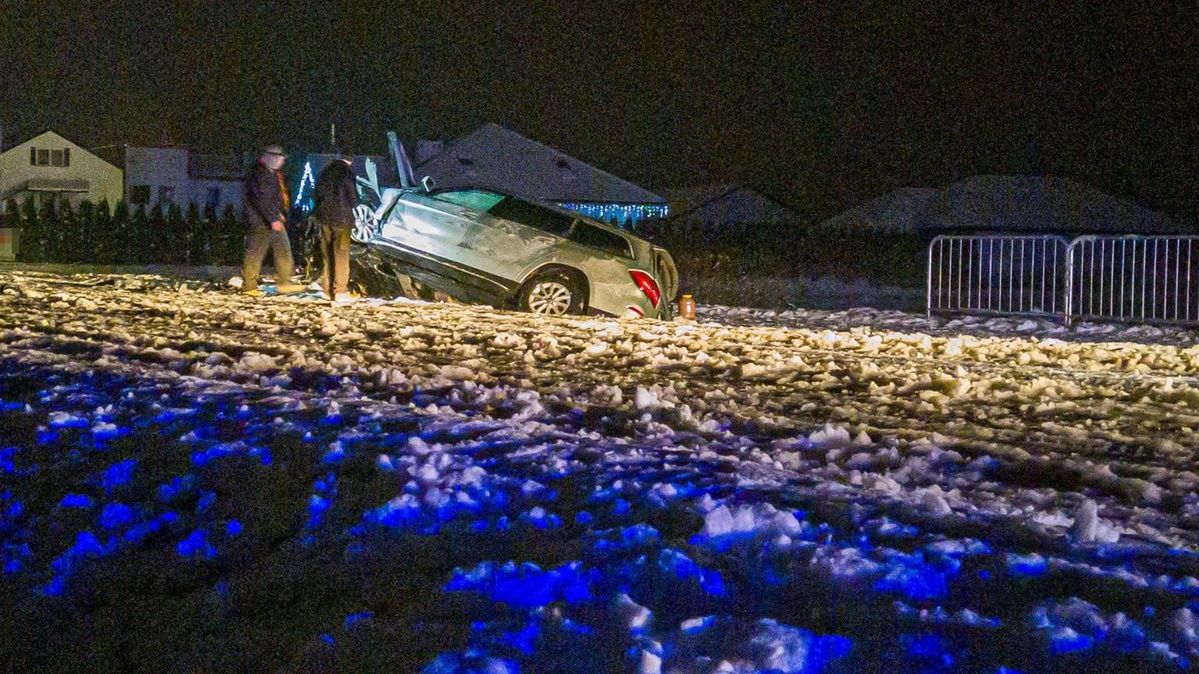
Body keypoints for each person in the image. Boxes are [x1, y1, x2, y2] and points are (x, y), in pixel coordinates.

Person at [241, 144, 303, 296]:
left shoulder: (270, 173)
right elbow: (261, 199)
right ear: (270, 157)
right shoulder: (260, 174)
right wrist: (273, 218)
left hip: (272, 219)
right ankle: (249, 286)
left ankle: (285, 281)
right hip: (262, 221)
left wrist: (278, 215)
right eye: (281, 158)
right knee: (255, 252)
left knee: (283, 249)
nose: (282, 161)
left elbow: (272, 198)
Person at [312, 153, 358, 301]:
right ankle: (340, 291)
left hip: (325, 218)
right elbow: (353, 198)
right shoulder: (347, 173)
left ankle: (326, 289)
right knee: (341, 254)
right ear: (350, 161)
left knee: (326, 254)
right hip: (342, 220)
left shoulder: (324, 173)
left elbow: (316, 194)